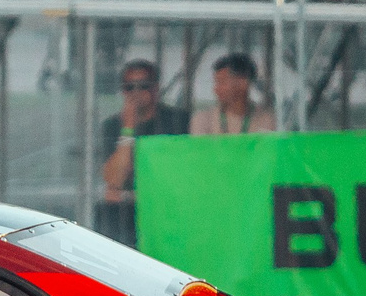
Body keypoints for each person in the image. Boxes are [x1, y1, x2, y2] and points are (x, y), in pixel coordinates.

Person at [97, 57, 187, 245]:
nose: (136, 93)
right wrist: (128, 129)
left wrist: (130, 194)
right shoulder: (113, 125)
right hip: (126, 215)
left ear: (155, 88)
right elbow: (115, 179)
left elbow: (181, 176)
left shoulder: (178, 120)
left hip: (168, 208)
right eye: (130, 87)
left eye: (143, 86)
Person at [190, 51, 278, 134]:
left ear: (243, 83)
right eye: (216, 82)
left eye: (222, 82)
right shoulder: (203, 120)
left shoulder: (266, 120)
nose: (216, 89)